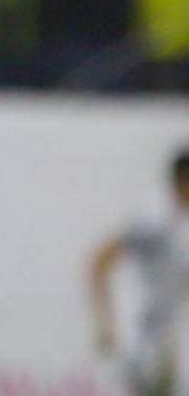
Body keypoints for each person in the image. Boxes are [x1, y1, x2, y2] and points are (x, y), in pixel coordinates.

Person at [91, 149, 189, 396]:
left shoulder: (179, 223)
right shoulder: (154, 220)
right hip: (143, 337)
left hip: (168, 335)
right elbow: (100, 261)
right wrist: (106, 322)